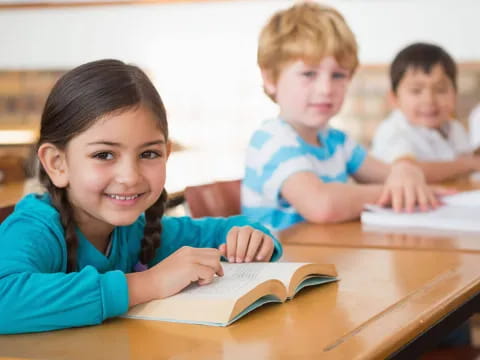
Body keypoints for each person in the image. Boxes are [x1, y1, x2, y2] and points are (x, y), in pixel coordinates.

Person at [0, 59, 282, 334]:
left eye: (149, 154)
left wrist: (252, 238)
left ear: (166, 154)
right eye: (104, 155)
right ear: (57, 164)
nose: (130, 176)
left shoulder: (140, 230)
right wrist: (148, 283)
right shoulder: (35, 229)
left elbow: (220, 232)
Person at [241, 2, 441, 233]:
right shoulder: (271, 140)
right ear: (270, 79)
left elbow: (389, 172)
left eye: (338, 75)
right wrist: (396, 190)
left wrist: (405, 171)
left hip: (324, 256)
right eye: (309, 74)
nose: (326, 88)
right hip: (282, 267)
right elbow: (322, 205)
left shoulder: (336, 141)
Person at [371, 42, 480, 182]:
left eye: (440, 90)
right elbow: (408, 171)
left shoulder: (455, 128)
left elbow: (467, 164)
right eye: (416, 91)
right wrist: (469, 164)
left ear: (455, 94)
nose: (429, 100)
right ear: (394, 99)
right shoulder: (392, 130)